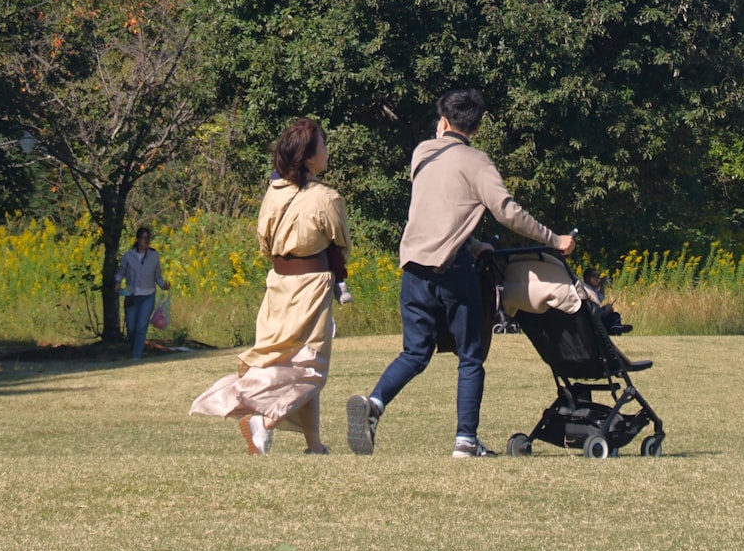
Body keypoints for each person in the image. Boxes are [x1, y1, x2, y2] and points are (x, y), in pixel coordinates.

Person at [346, 89, 576, 458]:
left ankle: (374, 404)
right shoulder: (477, 162)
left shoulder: (421, 153)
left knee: (415, 352)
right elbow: (507, 212)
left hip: (413, 267)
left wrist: (474, 243)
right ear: (478, 125)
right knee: (471, 355)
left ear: (443, 121)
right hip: (452, 268)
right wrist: (554, 240)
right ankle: (465, 440)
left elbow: (438, 208)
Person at [190, 118, 352, 456]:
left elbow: (265, 245)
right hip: (311, 286)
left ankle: (315, 445)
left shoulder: (273, 193)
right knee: (310, 367)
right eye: (322, 145)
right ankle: (264, 421)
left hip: (277, 285)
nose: (326, 151)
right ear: (308, 157)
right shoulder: (326, 197)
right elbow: (341, 242)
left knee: (285, 362)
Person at [115, 227, 170, 360]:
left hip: (148, 296)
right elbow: (121, 272)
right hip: (131, 296)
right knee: (131, 328)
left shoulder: (154, 256)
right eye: (143, 238)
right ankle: (134, 348)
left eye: (147, 239)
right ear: (138, 239)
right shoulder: (128, 256)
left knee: (141, 326)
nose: (145, 241)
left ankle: (136, 356)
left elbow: (157, 276)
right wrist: (117, 282)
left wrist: (164, 285)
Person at [582, 266, 632, 335]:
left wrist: (601, 285)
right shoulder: (586, 289)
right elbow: (595, 305)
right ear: (588, 278)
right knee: (612, 316)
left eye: (598, 276)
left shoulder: (593, 289)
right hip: (592, 320)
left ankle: (616, 328)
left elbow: (600, 297)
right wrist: (605, 310)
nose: (598, 279)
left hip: (597, 316)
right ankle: (614, 328)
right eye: (595, 276)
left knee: (615, 315)